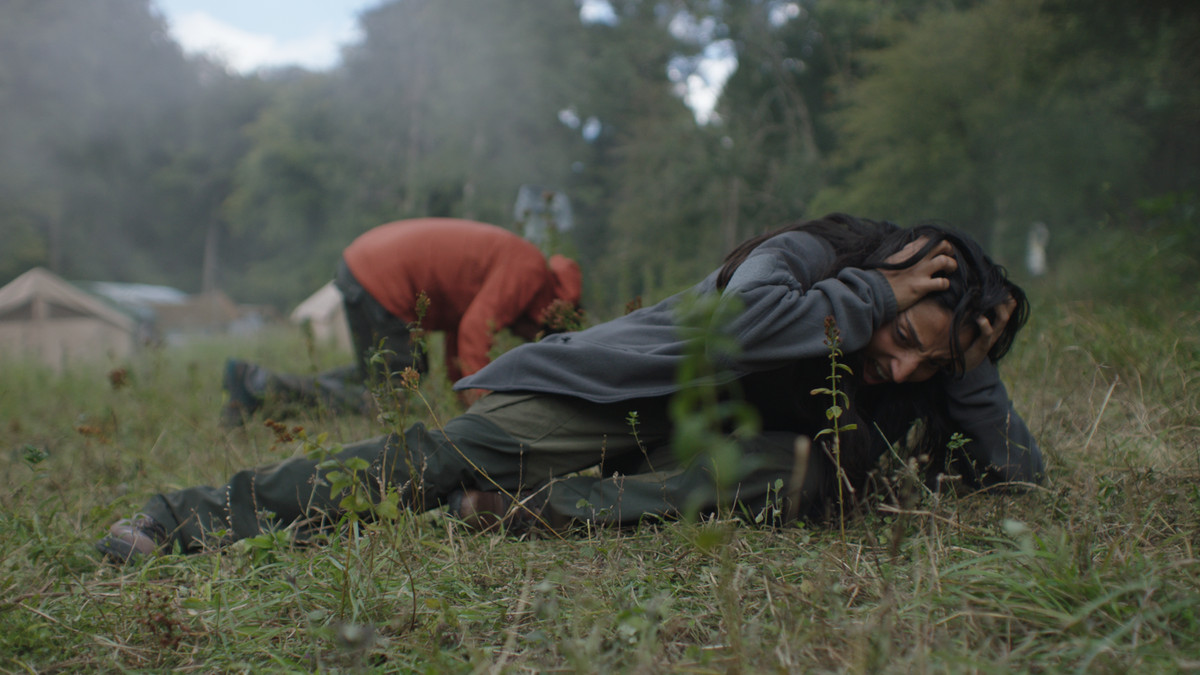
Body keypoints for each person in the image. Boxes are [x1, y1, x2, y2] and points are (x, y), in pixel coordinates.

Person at [97, 214, 1043, 563]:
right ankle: (184, 518)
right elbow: (742, 328)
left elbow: (1014, 483)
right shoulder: (807, 259)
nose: (903, 368)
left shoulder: (921, 370)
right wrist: (871, 292)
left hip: (684, 461)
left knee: (826, 467)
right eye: (909, 338)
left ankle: (546, 511)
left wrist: (972, 367)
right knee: (426, 464)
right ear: (894, 274)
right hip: (612, 397)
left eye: (933, 364)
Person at [220, 218, 584, 426]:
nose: (522, 337)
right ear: (549, 319)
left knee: (383, 375)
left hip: (364, 263)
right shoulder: (529, 272)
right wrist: (487, 411)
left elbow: (460, 341)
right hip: (382, 276)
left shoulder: (521, 268)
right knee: (392, 398)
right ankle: (260, 385)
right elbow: (477, 333)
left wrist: (464, 394)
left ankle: (255, 389)